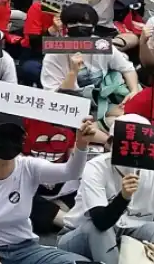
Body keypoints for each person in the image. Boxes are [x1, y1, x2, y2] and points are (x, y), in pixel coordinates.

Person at [0, 112, 96, 264]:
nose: (8, 141)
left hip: (25, 250)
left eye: (15, 136)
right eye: (1, 135)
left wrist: (81, 145)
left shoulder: (29, 167)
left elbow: (71, 172)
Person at [57, 113, 154, 264]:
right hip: (80, 235)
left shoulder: (151, 171)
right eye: (123, 143)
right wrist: (123, 197)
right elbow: (100, 221)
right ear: (110, 143)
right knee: (101, 231)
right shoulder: (95, 167)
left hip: (130, 230)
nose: (133, 149)